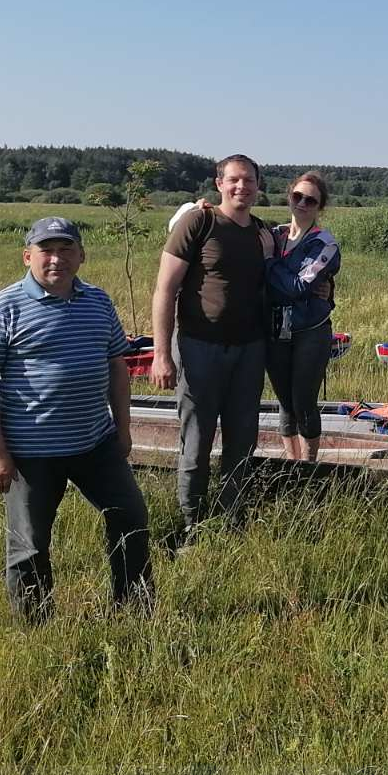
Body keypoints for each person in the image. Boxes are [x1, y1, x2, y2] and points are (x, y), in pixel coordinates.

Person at [0, 217, 152, 621]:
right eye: (47, 250)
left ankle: (133, 610)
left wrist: (123, 429)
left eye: (66, 249)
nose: (57, 259)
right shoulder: (1, 309)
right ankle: (36, 627)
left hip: (96, 442)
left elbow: (117, 367)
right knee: (29, 543)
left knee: (131, 518)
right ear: (27, 256)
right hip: (32, 451)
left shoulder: (99, 301)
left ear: (81, 256)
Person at [151, 154, 274, 534]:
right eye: (234, 180)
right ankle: (192, 524)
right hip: (197, 347)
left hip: (249, 351)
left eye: (249, 181)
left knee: (242, 443)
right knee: (197, 442)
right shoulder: (198, 221)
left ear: (258, 185)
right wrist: (160, 355)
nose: (242, 187)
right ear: (219, 183)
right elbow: (164, 290)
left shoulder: (263, 233)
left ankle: (232, 521)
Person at [263, 171, 342, 466]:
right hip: (275, 328)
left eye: (311, 200)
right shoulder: (274, 234)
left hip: (310, 330)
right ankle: (290, 463)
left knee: (303, 401)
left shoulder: (324, 243)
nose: (303, 203)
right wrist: (202, 208)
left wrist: (269, 261)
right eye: (298, 197)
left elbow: (298, 287)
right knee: (284, 401)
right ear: (289, 197)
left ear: (320, 206)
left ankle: (309, 466)